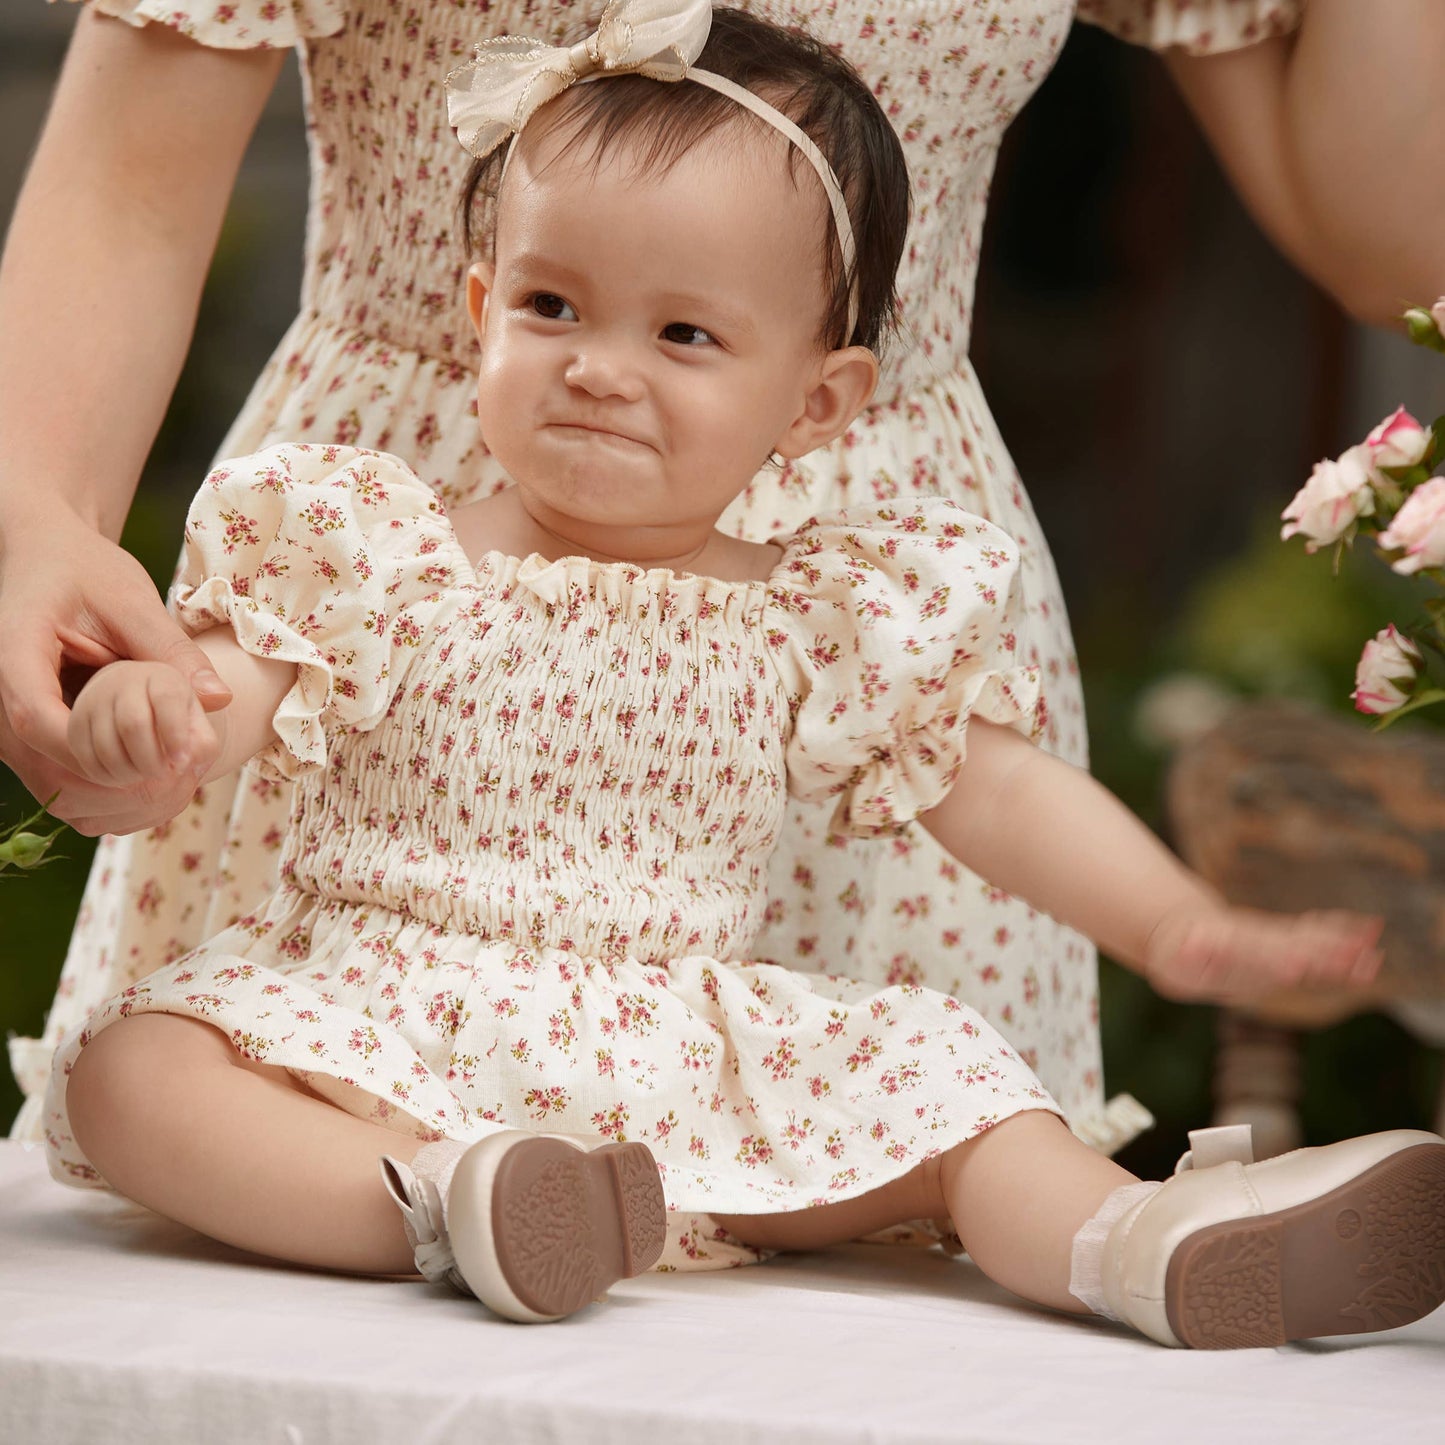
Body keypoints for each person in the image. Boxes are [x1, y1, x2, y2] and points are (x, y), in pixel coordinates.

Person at [48, 5, 1445, 1346]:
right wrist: (141, 725)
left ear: (817, 402)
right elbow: (214, 707)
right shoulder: (375, 550)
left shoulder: (817, 618)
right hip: (382, 1030)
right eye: (551, 305)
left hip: (679, 1057)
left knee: (956, 1087)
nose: (600, 370)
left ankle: (1137, 1241)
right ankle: (440, 1208)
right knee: (136, 1068)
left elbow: (1004, 795)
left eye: (683, 335)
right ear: (480, 313)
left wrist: (1177, 925)